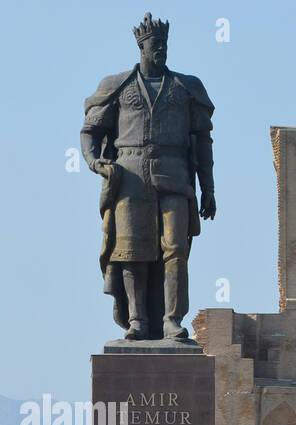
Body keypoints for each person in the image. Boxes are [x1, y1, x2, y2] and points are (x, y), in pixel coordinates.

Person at [81, 13, 216, 341]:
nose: (161, 51)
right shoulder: (118, 86)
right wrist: (94, 162)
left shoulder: (186, 88)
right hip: (129, 177)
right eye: (155, 45)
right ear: (141, 47)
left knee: (175, 250)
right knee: (131, 250)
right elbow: (90, 131)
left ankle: (172, 319)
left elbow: (202, 142)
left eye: (164, 45)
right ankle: (138, 319)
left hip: (174, 175)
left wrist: (208, 188)